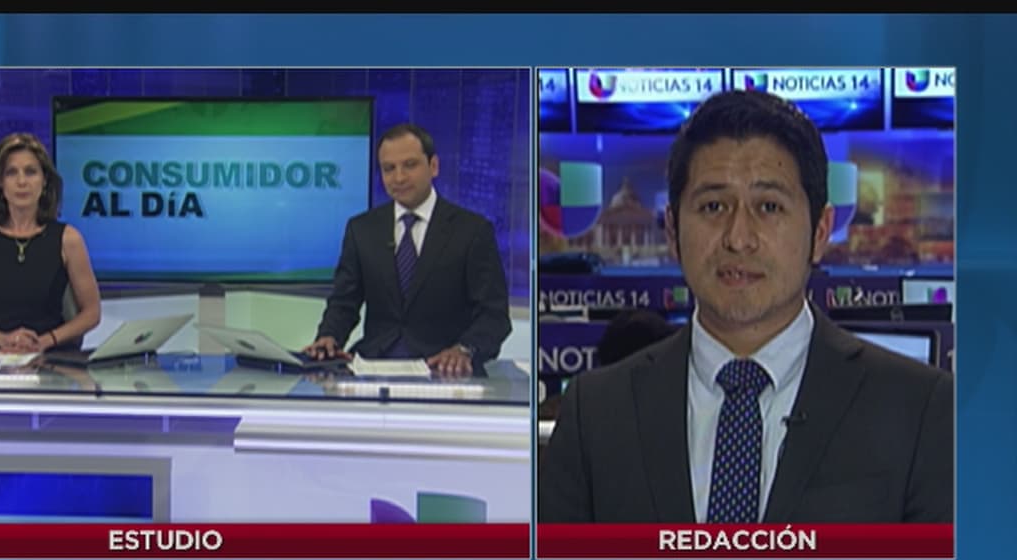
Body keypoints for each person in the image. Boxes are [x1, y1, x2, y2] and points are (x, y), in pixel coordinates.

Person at [539, 90, 953, 524]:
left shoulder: (920, 409)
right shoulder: (596, 413)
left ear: (820, 231)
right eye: (713, 206)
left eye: (769, 207)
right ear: (673, 232)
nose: (738, 238)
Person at [303, 123, 512, 376]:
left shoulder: (472, 230)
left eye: (410, 165)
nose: (399, 178)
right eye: (388, 169)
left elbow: (494, 315)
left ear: (433, 166)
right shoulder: (362, 229)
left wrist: (464, 349)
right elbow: (344, 302)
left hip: (444, 371)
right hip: (374, 367)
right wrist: (329, 337)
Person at [0, 132, 101, 353]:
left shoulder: (69, 239)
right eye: (11, 173)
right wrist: (3, 340)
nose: (22, 182)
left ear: (44, 180)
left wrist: (45, 341)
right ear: (0, 182)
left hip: (53, 358)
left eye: (31, 172)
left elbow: (92, 312)